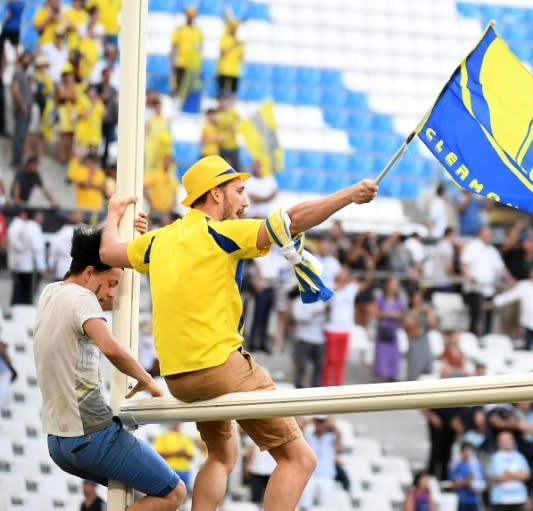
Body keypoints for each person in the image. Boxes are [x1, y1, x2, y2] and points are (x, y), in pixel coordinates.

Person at [98, 154, 377, 511]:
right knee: (299, 460)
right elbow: (292, 221)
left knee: (222, 455)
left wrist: (112, 215)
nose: (246, 202)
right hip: (221, 368)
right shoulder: (221, 232)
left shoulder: (159, 240)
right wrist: (348, 195)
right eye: (240, 191)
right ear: (216, 194)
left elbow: (107, 250)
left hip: (178, 378)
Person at [34, 224, 186, 510]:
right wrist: (149, 382)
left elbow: (92, 244)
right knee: (174, 493)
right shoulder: (83, 297)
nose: (114, 294)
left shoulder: (50, 292)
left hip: (58, 444)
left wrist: (122, 223)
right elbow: (111, 347)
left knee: (134, 493)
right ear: (89, 273)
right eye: (113, 283)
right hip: (93, 437)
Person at [461, 225, 515, 336]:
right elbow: (464, 264)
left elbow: (502, 269)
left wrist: (512, 281)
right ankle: (474, 338)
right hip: (475, 289)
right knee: (476, 317)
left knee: (488, 318)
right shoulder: (472, 246)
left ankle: (486, 338)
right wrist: (469, 277)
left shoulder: (492, 250)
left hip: (489, 289)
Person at [322, 265, 358, 386]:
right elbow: (325, 298)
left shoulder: (351, 288)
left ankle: (338, 386)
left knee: (340, 362)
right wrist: (339, 286)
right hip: (332, 329)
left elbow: (367, 282)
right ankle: (326, 386)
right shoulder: (331, 286)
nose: (344, 275)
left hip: (346, 330)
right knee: (330, 361)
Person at [301, 415, 340, 508]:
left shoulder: (331, 437)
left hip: (326, 476)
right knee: (305, 504)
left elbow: (339, 436)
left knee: (327, 506)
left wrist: (331, 423)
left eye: (322, 421)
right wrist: (308, 421)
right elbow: (298, 433)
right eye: (318, 421)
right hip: (311, 476)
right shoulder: (309, 436)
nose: (320, 424)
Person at [488, 431, 530, 511]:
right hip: (501, 499)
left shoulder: (520, 457)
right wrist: (518, 474)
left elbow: (526, 475)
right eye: (503, 440)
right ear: (498, 442)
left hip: (519, 498)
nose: (506, 442)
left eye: (508, 439)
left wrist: (508, 473)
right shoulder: (495, 458)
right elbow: (499, 477)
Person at [292, 293, 327, 389]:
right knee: (301, 366)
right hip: (304, 338)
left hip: (319, 339)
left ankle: (316, 389)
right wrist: (313, 313)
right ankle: (298, 387)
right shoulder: (299, 301)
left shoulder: (322, 301)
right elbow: (297, 317)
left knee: (318, 367)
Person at [373, 276, 403, 382]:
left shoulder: (398, 301)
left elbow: (402, 316)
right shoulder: (380, 299)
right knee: (382, 363)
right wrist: (388, 314)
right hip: (382, 335)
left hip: (393, 335)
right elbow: (375, 313)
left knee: (392, 363)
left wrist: (399, 316)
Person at [403, 288, 437, 381]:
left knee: (427, 369)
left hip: (424, 342)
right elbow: (408, 325)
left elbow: (433, 325)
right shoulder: (408, 311)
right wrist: (417, 313)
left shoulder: (426, 311)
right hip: (414, 342)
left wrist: (429, 313)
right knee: (414, 370)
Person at [170, 6, 203, 97]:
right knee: (178, 86)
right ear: (186, 16)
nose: (190, 17)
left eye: (192, 16)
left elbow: (199, 49)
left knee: (189, 89)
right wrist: (172, 61)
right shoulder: (180, 30)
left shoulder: (198, 32)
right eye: (189, 15)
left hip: (192, 65)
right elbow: (174, 47)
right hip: (180, 63)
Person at [153, 422, 196, 491]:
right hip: (169, 470)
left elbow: (191, 456)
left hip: (185, 471)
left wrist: (184, 453)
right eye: (174, 422)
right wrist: (175, 453)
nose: (176, 424)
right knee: (170, 493)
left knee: (184, 494)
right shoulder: (163, 437)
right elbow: (158, 454)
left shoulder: (186, 438)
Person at [11, 51, 33, 167]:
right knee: (19, 134)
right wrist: (23, 105)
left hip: (26, 107)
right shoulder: (18, 73)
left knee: (23, 134)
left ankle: (20, 159)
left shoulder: (24, 73)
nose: (28, 60)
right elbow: (15, 89)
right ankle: (16, 161)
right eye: (26, 58)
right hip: (22, 108)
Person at [243, 433, 277, 507]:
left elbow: (249, 453)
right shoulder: (276, 433)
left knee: (256, 498)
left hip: (258, 470)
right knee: (271, 498)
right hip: (270, 470)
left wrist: (246, 466)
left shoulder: (254, 432)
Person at [450, 442, 485, 511]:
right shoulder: (457, 466)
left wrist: (477, 485)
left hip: (475, 501)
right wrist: (466, 482)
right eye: (466, 450)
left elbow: (484, 483)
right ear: (461, 452)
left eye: (470, 450)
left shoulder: (477, 466)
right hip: (462, 501)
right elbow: (453, 485)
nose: (468, 453)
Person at [216, 18, 244, 95]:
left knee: (233, 94)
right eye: (232, 27)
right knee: (221, 94)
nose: (233, 30)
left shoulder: (240, 42)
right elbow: (222, 53)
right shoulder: (224, 39)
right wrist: (233, 45)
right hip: (224, 70)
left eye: (235, 28)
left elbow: (241, 58)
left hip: (234, 72)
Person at [0, 338, 18, 410]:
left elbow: (14, 373)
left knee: (3, 393)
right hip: (3, 376)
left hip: (5, 376)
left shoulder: (4, 357)